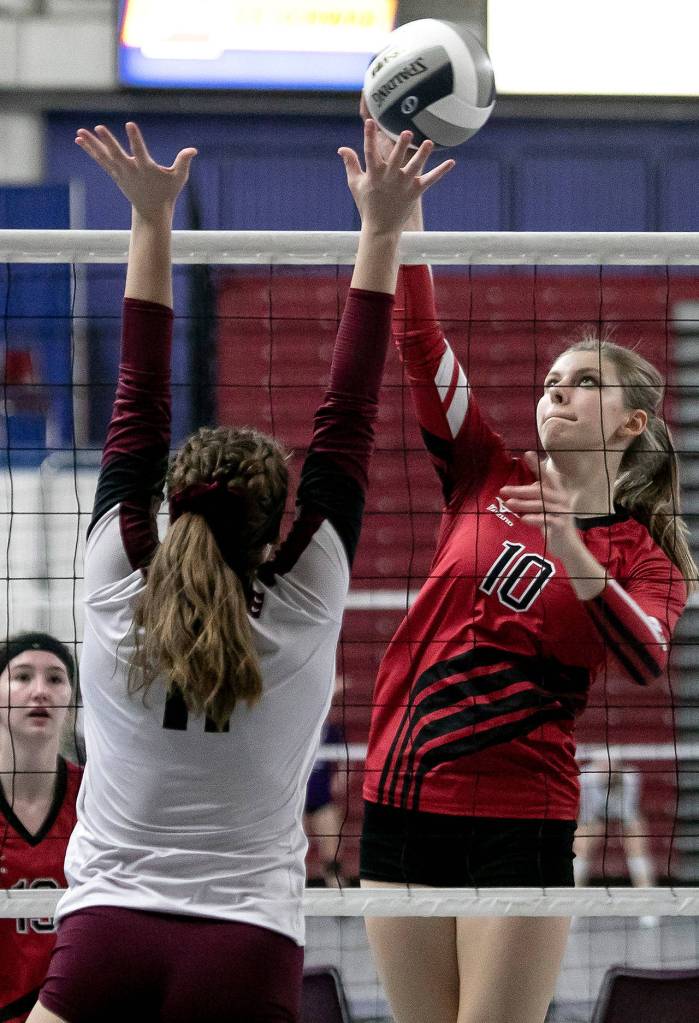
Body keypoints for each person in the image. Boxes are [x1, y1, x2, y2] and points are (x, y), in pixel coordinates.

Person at [27, 120, 454, 1023]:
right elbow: (348, 420)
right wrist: (380, 229)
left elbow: (137, 400)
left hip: (105, 930)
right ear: (272, 536)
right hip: (248, 943)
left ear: (172, 506)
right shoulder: (300, 600)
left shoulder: (117, 577)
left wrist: (149, 222)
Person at [358, 135, 693, 1023]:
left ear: (628, 425)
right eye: (550, 380)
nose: (555, 392)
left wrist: (572, 547)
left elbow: (643, 656)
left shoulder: (645, 557)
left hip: (518, 809)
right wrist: (398, 219)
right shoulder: (483, 471)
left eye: (581, 383)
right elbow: (419, 339)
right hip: (398, 792)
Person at [0, 633, 80, 1023]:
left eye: (55, 678)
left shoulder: (97, 798)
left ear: (72, 700)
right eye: (22, 677)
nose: (40, 691)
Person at [574, 756, 658, 924]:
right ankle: (573, 906)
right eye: (603, 766)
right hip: (595, 817)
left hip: (624, 815)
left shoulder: (630, 778)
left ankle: (649, 905)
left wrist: (625, 830)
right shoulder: (586, 779)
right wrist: (596, 830)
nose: (607, 770)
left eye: (611, 766)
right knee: (580, 845)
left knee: (637, 842)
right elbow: (587, 816)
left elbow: (629, 813)